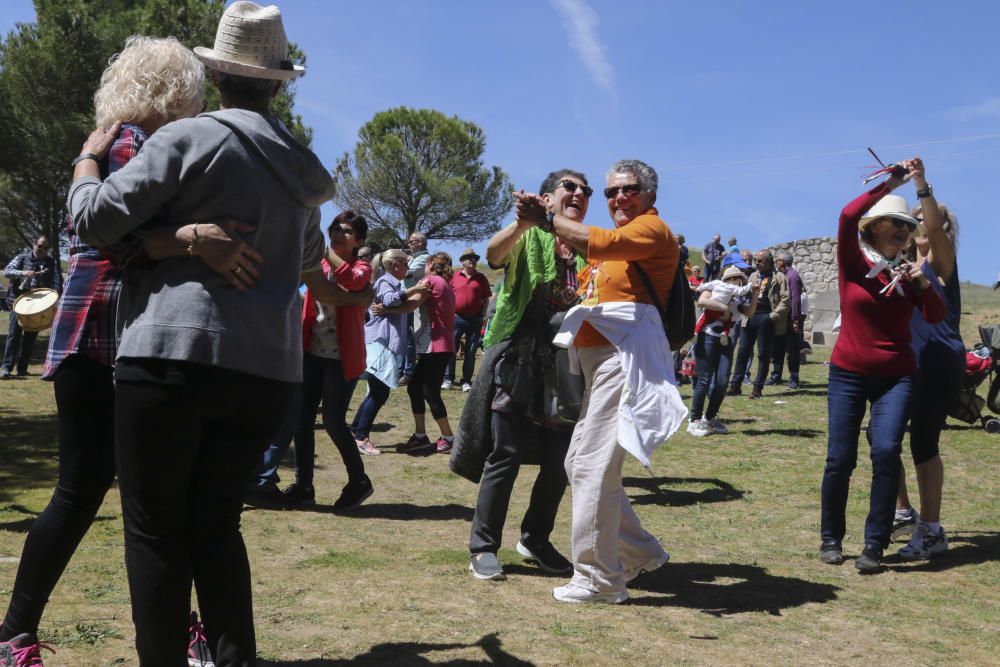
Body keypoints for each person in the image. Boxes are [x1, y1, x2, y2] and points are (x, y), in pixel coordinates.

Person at [65, 3, 353, 663]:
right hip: (267, 374)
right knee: (217, 530)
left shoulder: (187, 139)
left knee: (155, 534)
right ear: (279, 81)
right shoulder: (304, 176)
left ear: (218, 74)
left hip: (172, 356)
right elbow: (313, 269)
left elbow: (97, 222)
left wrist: (87, 163)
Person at [0, 36, 234, 667]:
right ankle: (177, 633)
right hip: (116, 339)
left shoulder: (105, 141)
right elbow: (121, 240)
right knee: (152, 502)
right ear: (174, 89)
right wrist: (191, 238)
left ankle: (13, 635)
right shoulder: (140, 144)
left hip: (83, 339)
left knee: (82, 493)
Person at [513, 159, 686, 604]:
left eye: (627, 190)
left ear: (649, 195)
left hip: (622, 358)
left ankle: (598, 578)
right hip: (599, 360)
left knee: (590, 466)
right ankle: (640, 552)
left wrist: (547, 220)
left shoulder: (650, 230)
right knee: (582, 464)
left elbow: (601, 242)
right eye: (610, 193)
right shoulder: (621, 245)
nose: (617, 199)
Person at [454, 169, 589, 582]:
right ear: (547, 198)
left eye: (586, 190)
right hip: (518, 358)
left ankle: (535, 538)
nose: (580, 194)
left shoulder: (588, 249)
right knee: (505, 453)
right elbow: (494, 254)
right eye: (570, 187)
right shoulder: (528, 235)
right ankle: (483, 546)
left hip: (567, 367)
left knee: (559, 461)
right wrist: (523, 222)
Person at [819, 158, 945, 573]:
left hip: (897, 377)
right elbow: (846, 214)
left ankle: (874, 545)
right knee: (840, 457)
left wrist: (922, 284)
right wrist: (891, 182)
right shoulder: (854, 263)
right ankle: (831, 538)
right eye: (895, 222)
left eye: (908, 226)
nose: (904, 230)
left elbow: (934, 315)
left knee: (887, 451)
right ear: (874, 228)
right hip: (848, 374)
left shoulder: (909, 276)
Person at [280, 211, 375, 510]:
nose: (338, 234)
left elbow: (353, 280)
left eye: (346, 231)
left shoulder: (362, 267)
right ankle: (304, 486)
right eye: (335, 229)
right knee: (302, 420)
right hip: (311, 353)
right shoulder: (318, 265)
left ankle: (359, 481)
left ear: (358, 240)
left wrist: (325, 252)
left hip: (340, 358)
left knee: (334, 422)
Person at [893, 160, 962, 560]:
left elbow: (934, 229)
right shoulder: (904, 267)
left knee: (923, 442)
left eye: (916, 221)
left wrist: (919, 184)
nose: (911, 227)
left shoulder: (941, 263)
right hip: (909, 363)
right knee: (880, 438)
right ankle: (903, 511)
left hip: (939, 362)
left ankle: (932, 530)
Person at [351, 249, 428, 454]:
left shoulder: (391, 281)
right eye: (405, 264)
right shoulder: (386, 281)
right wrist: (414, 290)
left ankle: (355, 431)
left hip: (382, 343)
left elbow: (392, 305)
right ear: (395, 265)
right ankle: (361, 437)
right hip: (381, 342)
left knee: (376, 392)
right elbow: (389, 300)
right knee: (379, 393)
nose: (408, 268)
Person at [687, 266, 759, 437]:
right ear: (727, 280)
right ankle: (694, 420)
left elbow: (749, 312)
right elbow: (703, 301)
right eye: (734, 278)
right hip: (707, 337)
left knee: (723, 381)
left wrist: (755, 295)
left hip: (725, 340)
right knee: (704, 379)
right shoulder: (714, 288)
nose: (738, 281)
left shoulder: (736, 299)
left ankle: (709, 418)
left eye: (739, 279)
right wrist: (724, 308)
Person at [397, 251, 457, 454]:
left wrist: (385, 308)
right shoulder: (445, 283)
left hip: (436, 344)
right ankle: (421, 436)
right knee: (414, 388)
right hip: (440, 344)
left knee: (430, 392)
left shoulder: (430, 280)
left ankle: (449, 438)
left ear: (430, 264)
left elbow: (411, 304)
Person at [726, 250, 789, 399]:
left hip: (766, 318)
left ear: (769, 262)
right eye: (755, 260)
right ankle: (735, 386)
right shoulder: (753, 276)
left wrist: (772, 316)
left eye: (760, 260)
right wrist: (740, 306)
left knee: (763, 355)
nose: (756, 263)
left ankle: (757, 389)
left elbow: (786, 300)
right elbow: (744, 294)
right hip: (749, 317)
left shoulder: (779, 277)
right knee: (742, 353)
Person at [2, 236, 62, 379]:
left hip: (38, 306)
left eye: (46, 248)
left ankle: (22, 369)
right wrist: (23, 273)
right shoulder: (22, 258)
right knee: (13, 336)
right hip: (18, 302)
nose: (42, 250)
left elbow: (55, 282)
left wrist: (53, 300)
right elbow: (7, 271)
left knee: (30, 338)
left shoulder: (50, 262)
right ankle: (6, 368)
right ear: (34, 244)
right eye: (40, 246)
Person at [443, 247, 492, 392]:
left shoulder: (481, 278)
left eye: (475, 258)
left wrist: (483, 315)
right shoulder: (454, 276)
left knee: (470, 351)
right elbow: (447, 297)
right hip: (456, 318)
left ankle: (466, 381)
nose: (472, 260)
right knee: (451, 349)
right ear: (462, 261)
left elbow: (486, 298)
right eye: (469, 258)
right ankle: (448, 378)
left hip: (475, 319)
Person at [767, 251, 806, 389]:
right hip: (781, 317)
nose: (775, 262)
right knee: (778, 347)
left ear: (782, 261)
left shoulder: (792, 276)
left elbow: (795, 300)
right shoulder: (781, 275)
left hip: (790, 319)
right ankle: (776, 375)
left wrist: (795, 320)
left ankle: (794, 378)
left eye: (777, 260)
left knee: (792, 349)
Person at [399, 231, 430, 383]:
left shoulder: (424, 258)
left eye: (411, 242)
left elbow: (407, 274)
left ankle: (408, 371)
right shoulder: (413, 258)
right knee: (403, 336)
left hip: (413, 302)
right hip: (405, 300)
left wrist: (396, 263)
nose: (409, 244)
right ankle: (401, 368)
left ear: (420, 243)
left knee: (409, 336)